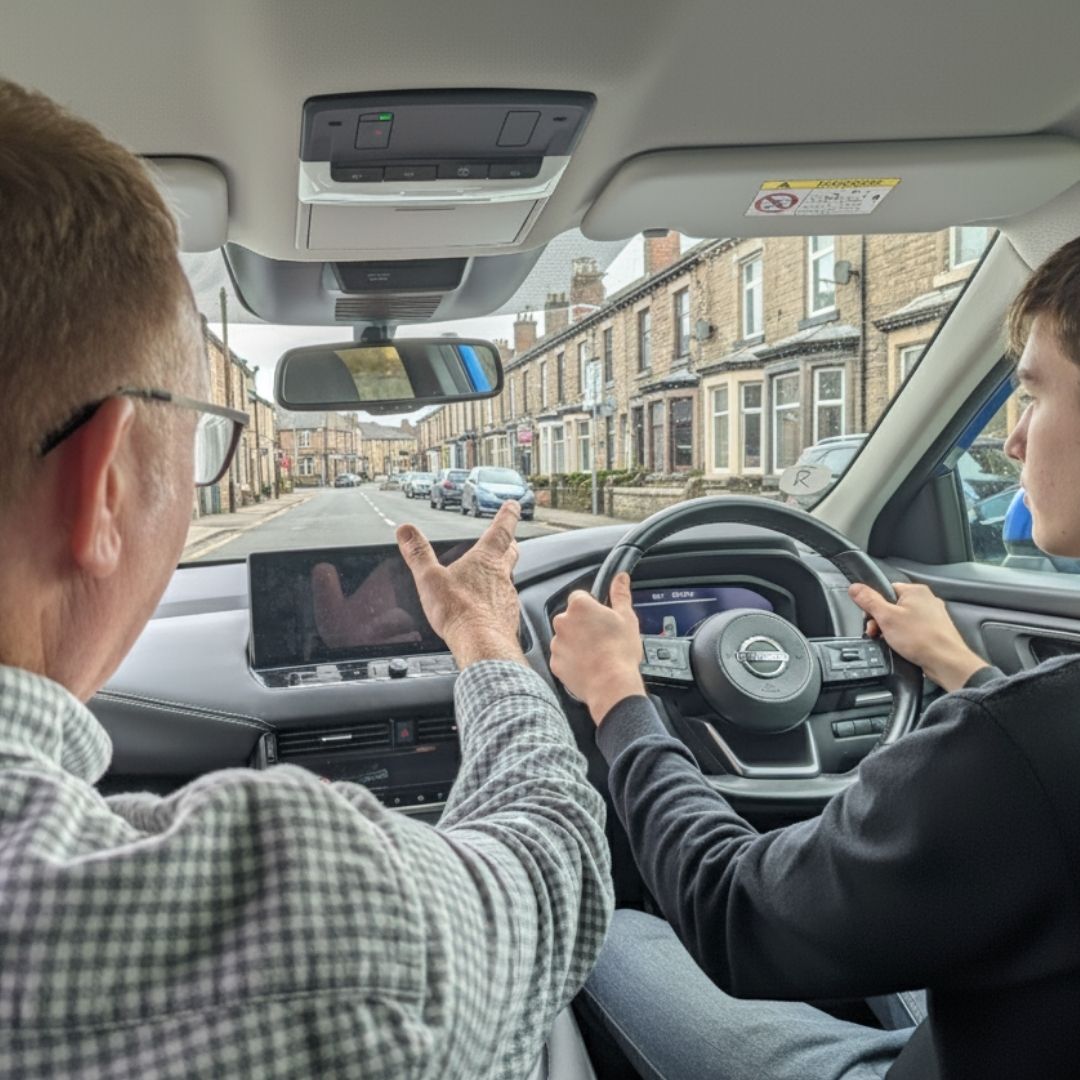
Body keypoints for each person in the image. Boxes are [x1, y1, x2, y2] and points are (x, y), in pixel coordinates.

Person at [0, 79, 611, 1078]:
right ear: (104, 485)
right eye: (199, 438)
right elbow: (555, 877)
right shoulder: (311, 911)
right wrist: (489, 643)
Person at [550, 235, 1080, 1080]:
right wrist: (963, 670)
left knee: (602, 922)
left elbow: (731, 911)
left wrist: (617, 694)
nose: (1012, 441)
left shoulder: (1016, 749)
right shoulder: (1032, 740)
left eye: (1034, 395)